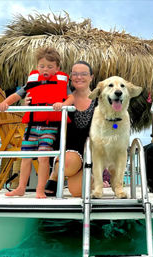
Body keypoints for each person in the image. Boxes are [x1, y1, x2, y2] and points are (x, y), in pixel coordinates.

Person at [0, 47, 74, 198]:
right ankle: (21, 188)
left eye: (50, 67)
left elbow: (71, 98)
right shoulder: (32, 81)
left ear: (57, 68)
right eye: (42, 66)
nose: (45, 69)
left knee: (43, 158)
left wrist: (63, 104)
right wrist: (5, 102)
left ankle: (40, 189)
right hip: (31, 126)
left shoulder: (63, 82)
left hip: (49, 127)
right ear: (37, 66)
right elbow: (17, 95)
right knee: (26, 157)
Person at [44, 60, 97, 197]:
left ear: (91, 77)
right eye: (75, 74)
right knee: (67, 164)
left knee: (77, 192)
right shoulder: (61, 97)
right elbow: (42, 112)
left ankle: (89, 176)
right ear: (70, 77)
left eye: (84, 74)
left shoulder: (100, 101)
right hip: (63, 149)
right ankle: (55, 174)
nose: (79, 77)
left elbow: (113, 125)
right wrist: (28, 104)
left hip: (87, 153)